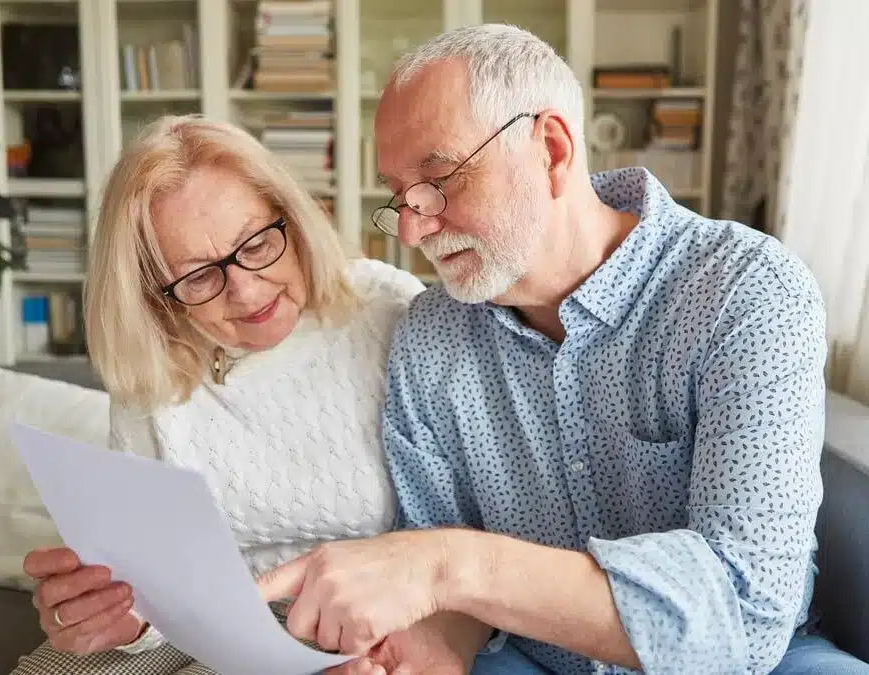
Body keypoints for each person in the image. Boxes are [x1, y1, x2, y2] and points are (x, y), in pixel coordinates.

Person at [257, 24, 869, 675]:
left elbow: (743, 617)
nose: (411, 227)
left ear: (550, 149)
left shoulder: (744, 293)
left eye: (439, 181)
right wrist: (427, 645)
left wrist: (448, 563)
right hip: (532, 659)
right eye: (400, 196)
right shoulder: (430, 337)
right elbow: (453, 602)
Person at [11, 114, 430, 675]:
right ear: (156, 294)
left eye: (256, 244)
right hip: (195, 626)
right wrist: (118, 615)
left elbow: (451, 539)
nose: (246, 290)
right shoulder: (153, 364)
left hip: (361, 619)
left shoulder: (388, 309)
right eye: (199, 276)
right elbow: (152, 581)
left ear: (295, 218)